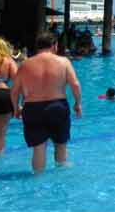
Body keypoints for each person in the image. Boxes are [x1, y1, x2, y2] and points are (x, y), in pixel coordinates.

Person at [11, 32, 82, 173]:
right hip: (58, 106)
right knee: (61, 144)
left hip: (32, 108)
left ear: (37, 47)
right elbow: (75, 84)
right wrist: (77, 103)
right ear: (54, 45)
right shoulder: (64, 62)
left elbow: (14, 91)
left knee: (38, 147)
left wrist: (16, 108)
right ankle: (61, 176)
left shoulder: (25, 64)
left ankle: (38, 179)